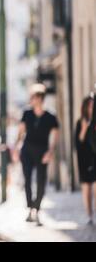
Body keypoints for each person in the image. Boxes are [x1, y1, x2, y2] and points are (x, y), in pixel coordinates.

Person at [12, 84, 59, 226]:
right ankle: (29, 208)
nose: (31, 100)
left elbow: (55, 135)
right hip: (27, 150)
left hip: (42, 151)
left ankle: (36, 209)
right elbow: (20, 132)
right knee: (27, 179)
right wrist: (15, 149)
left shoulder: (50, 116)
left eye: (33, 97)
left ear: (40, 98)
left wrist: (50, 152)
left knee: (41, 181)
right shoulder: (27, 113)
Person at [75, 95, 96, 225]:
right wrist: (83, 128)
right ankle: (89, 215)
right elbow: (78, 143)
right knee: (86, 189)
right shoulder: (80, 122)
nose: (92, 107)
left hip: (95, 157)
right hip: (84, 158)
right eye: (90, 105)